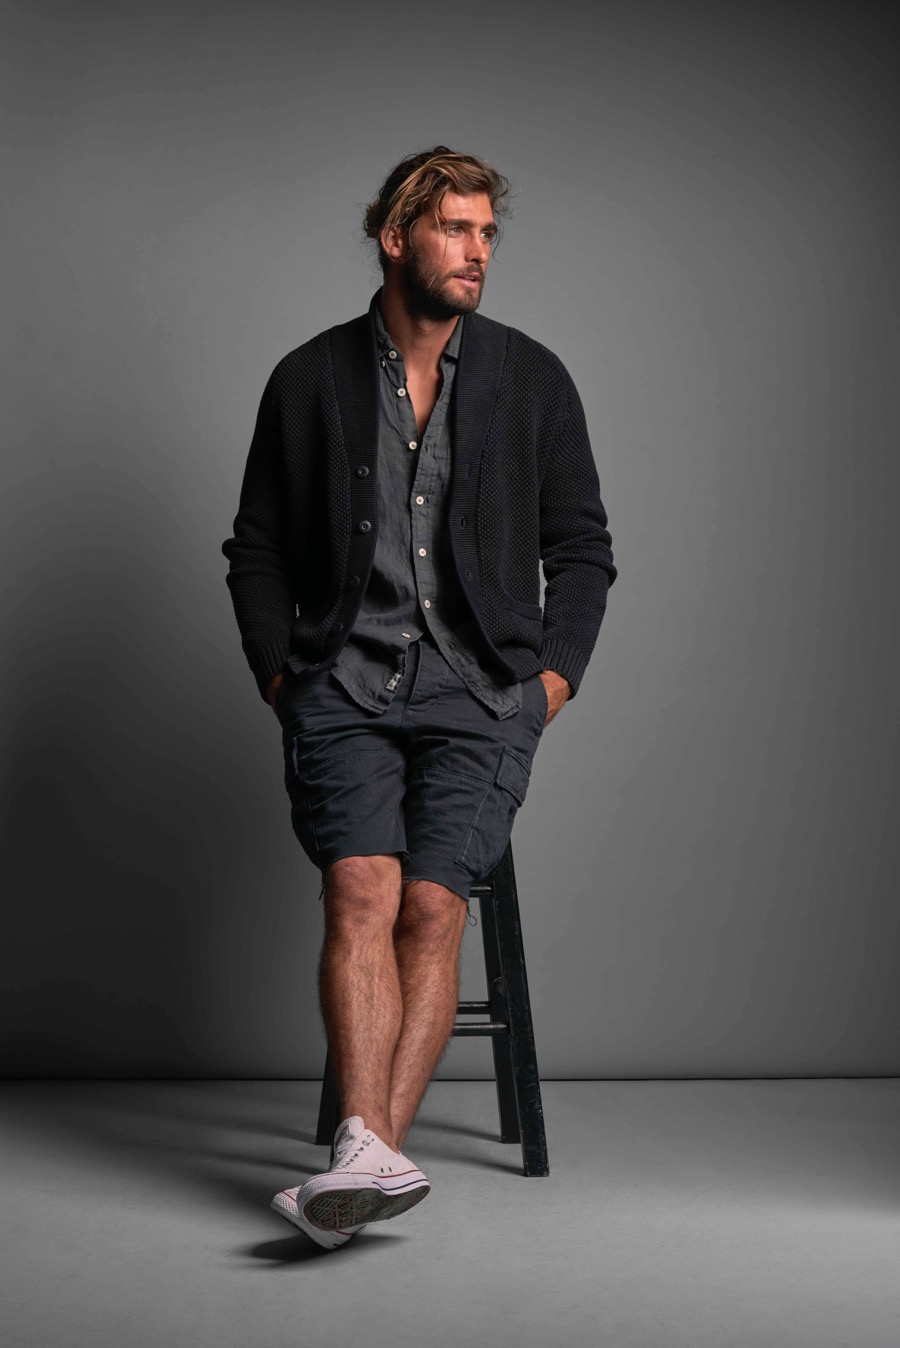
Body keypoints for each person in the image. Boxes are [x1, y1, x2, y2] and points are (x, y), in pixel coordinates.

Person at [221, 146, 617, 1249]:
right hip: (342, 683)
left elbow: (583, 549)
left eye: (488, 232)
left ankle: (358, 1163)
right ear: (396, 239)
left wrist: (550, 682)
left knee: (434, 907)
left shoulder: (533, 380)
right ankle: (370, 1165)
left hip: (483, 692)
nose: (477, 251)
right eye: (455, 228)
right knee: (362, 888)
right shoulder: (308, 379)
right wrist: (280, 674)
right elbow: (256, 550)